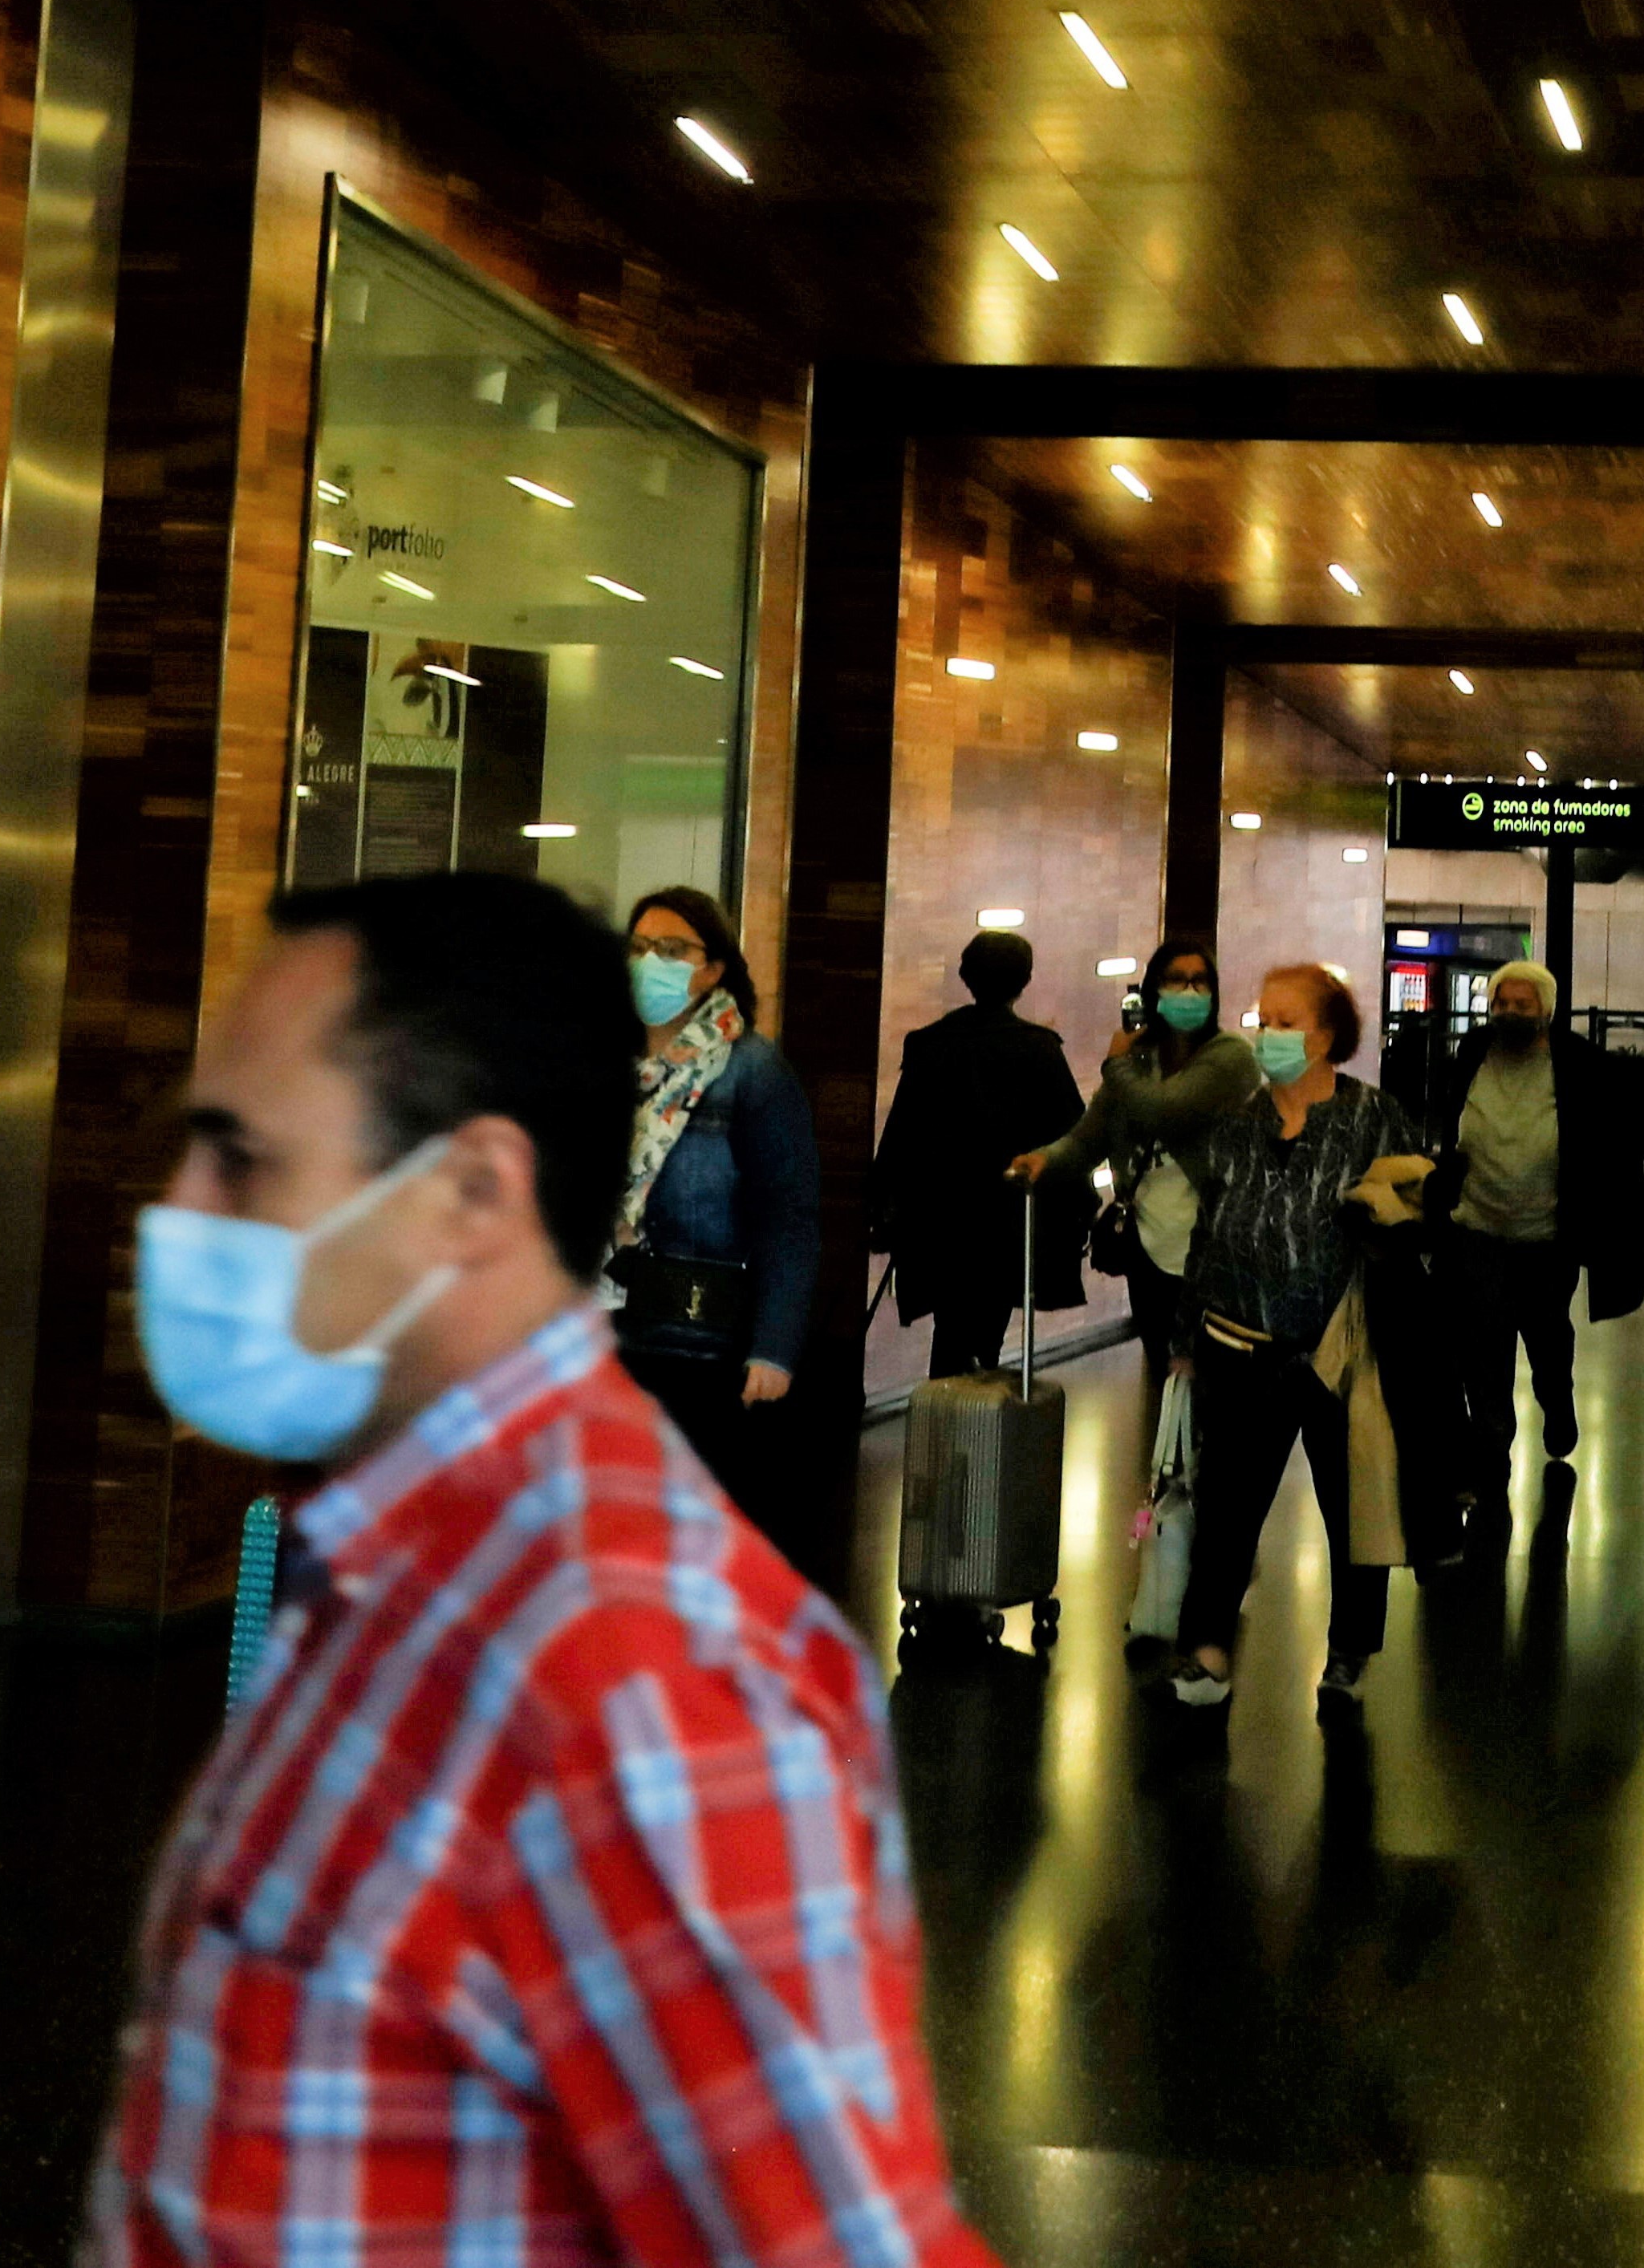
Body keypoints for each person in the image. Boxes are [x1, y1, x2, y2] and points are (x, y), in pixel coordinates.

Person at [89, 872, 990, 2268]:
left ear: (472, 1191)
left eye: (240, 1155)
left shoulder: (639, 1684)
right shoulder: (382, 1569)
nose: (179, 1208)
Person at [1170, 961, 1432, 1714]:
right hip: (1240, 1343)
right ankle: (1208, 1647)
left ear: (1325, 1037)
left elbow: (1414, 1211)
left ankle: (1350, 1649)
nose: (1268, 1034)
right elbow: (1209, 1236)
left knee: (1351, 1503)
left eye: (1286, 1022)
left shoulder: (1371, 1118)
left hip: (1337, 1353)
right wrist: (1186, 1334)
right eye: (1264, 1019)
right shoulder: (1238, 1125)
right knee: (1226, 1506)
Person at [1423, 955, 1644, 1490]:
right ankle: (1492, 1444)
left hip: (1548, 1233)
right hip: (1476, 1225)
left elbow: (1643, 1109)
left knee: (1546, 1334)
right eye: (1501, 1002)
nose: (1509, 1012)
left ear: (1546, 1010)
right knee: (1483, 1338)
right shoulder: (1473, 1052)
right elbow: (1449, 1123)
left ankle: (1556, 1399)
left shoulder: (1579, 1062)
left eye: (1522, 1005)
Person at [607, 885, 818, 1510]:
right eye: (640, 947)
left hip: (701, 1344)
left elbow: (790, 1217)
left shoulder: (750, 1071)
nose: (650, 962)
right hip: (605, 1337)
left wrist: (774, 1350)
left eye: (672, 950)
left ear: (714, 969)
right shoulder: (599, 1061)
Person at [1011, 933, 1261, 1369]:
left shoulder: (1229, 1057)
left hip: (1214, 1251)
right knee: (1162, 1371)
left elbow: (1167, 1111)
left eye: (1200, 982)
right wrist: (1045, 1159)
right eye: (1176, 980)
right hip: (1147, 1247)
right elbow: (1090, 1137)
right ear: (1153, 991)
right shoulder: (1139, 1059)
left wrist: (1115, 1066)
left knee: (1210, 1388)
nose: (1189, 991)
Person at [875, 928, 1084, 1378]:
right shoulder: (1039, 1048)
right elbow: (1072, 1135)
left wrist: (883, 1209)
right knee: (986, 1330)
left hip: (940, 1218)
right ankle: (972, 1424)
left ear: (966, 976)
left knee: (950, 1328)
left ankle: (947, 1421)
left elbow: (901, 1134)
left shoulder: (929, 1044)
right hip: (1006, 1219)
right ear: (1024, 981)